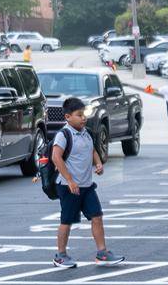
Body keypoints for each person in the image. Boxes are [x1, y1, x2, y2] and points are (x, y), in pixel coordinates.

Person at [51, 97, 124, 268]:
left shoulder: (86, 133)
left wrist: (98, 163)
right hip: (69, 187)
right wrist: (69, 180)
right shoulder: (64, 134)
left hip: (87, 186)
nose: (83, 118)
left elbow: (92, 151)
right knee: (67, 221)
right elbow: (56, 157)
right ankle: (60, 255)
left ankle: (102, 253)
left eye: (84, 114)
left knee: (97, 217)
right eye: (79, 115)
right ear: (68, 117)